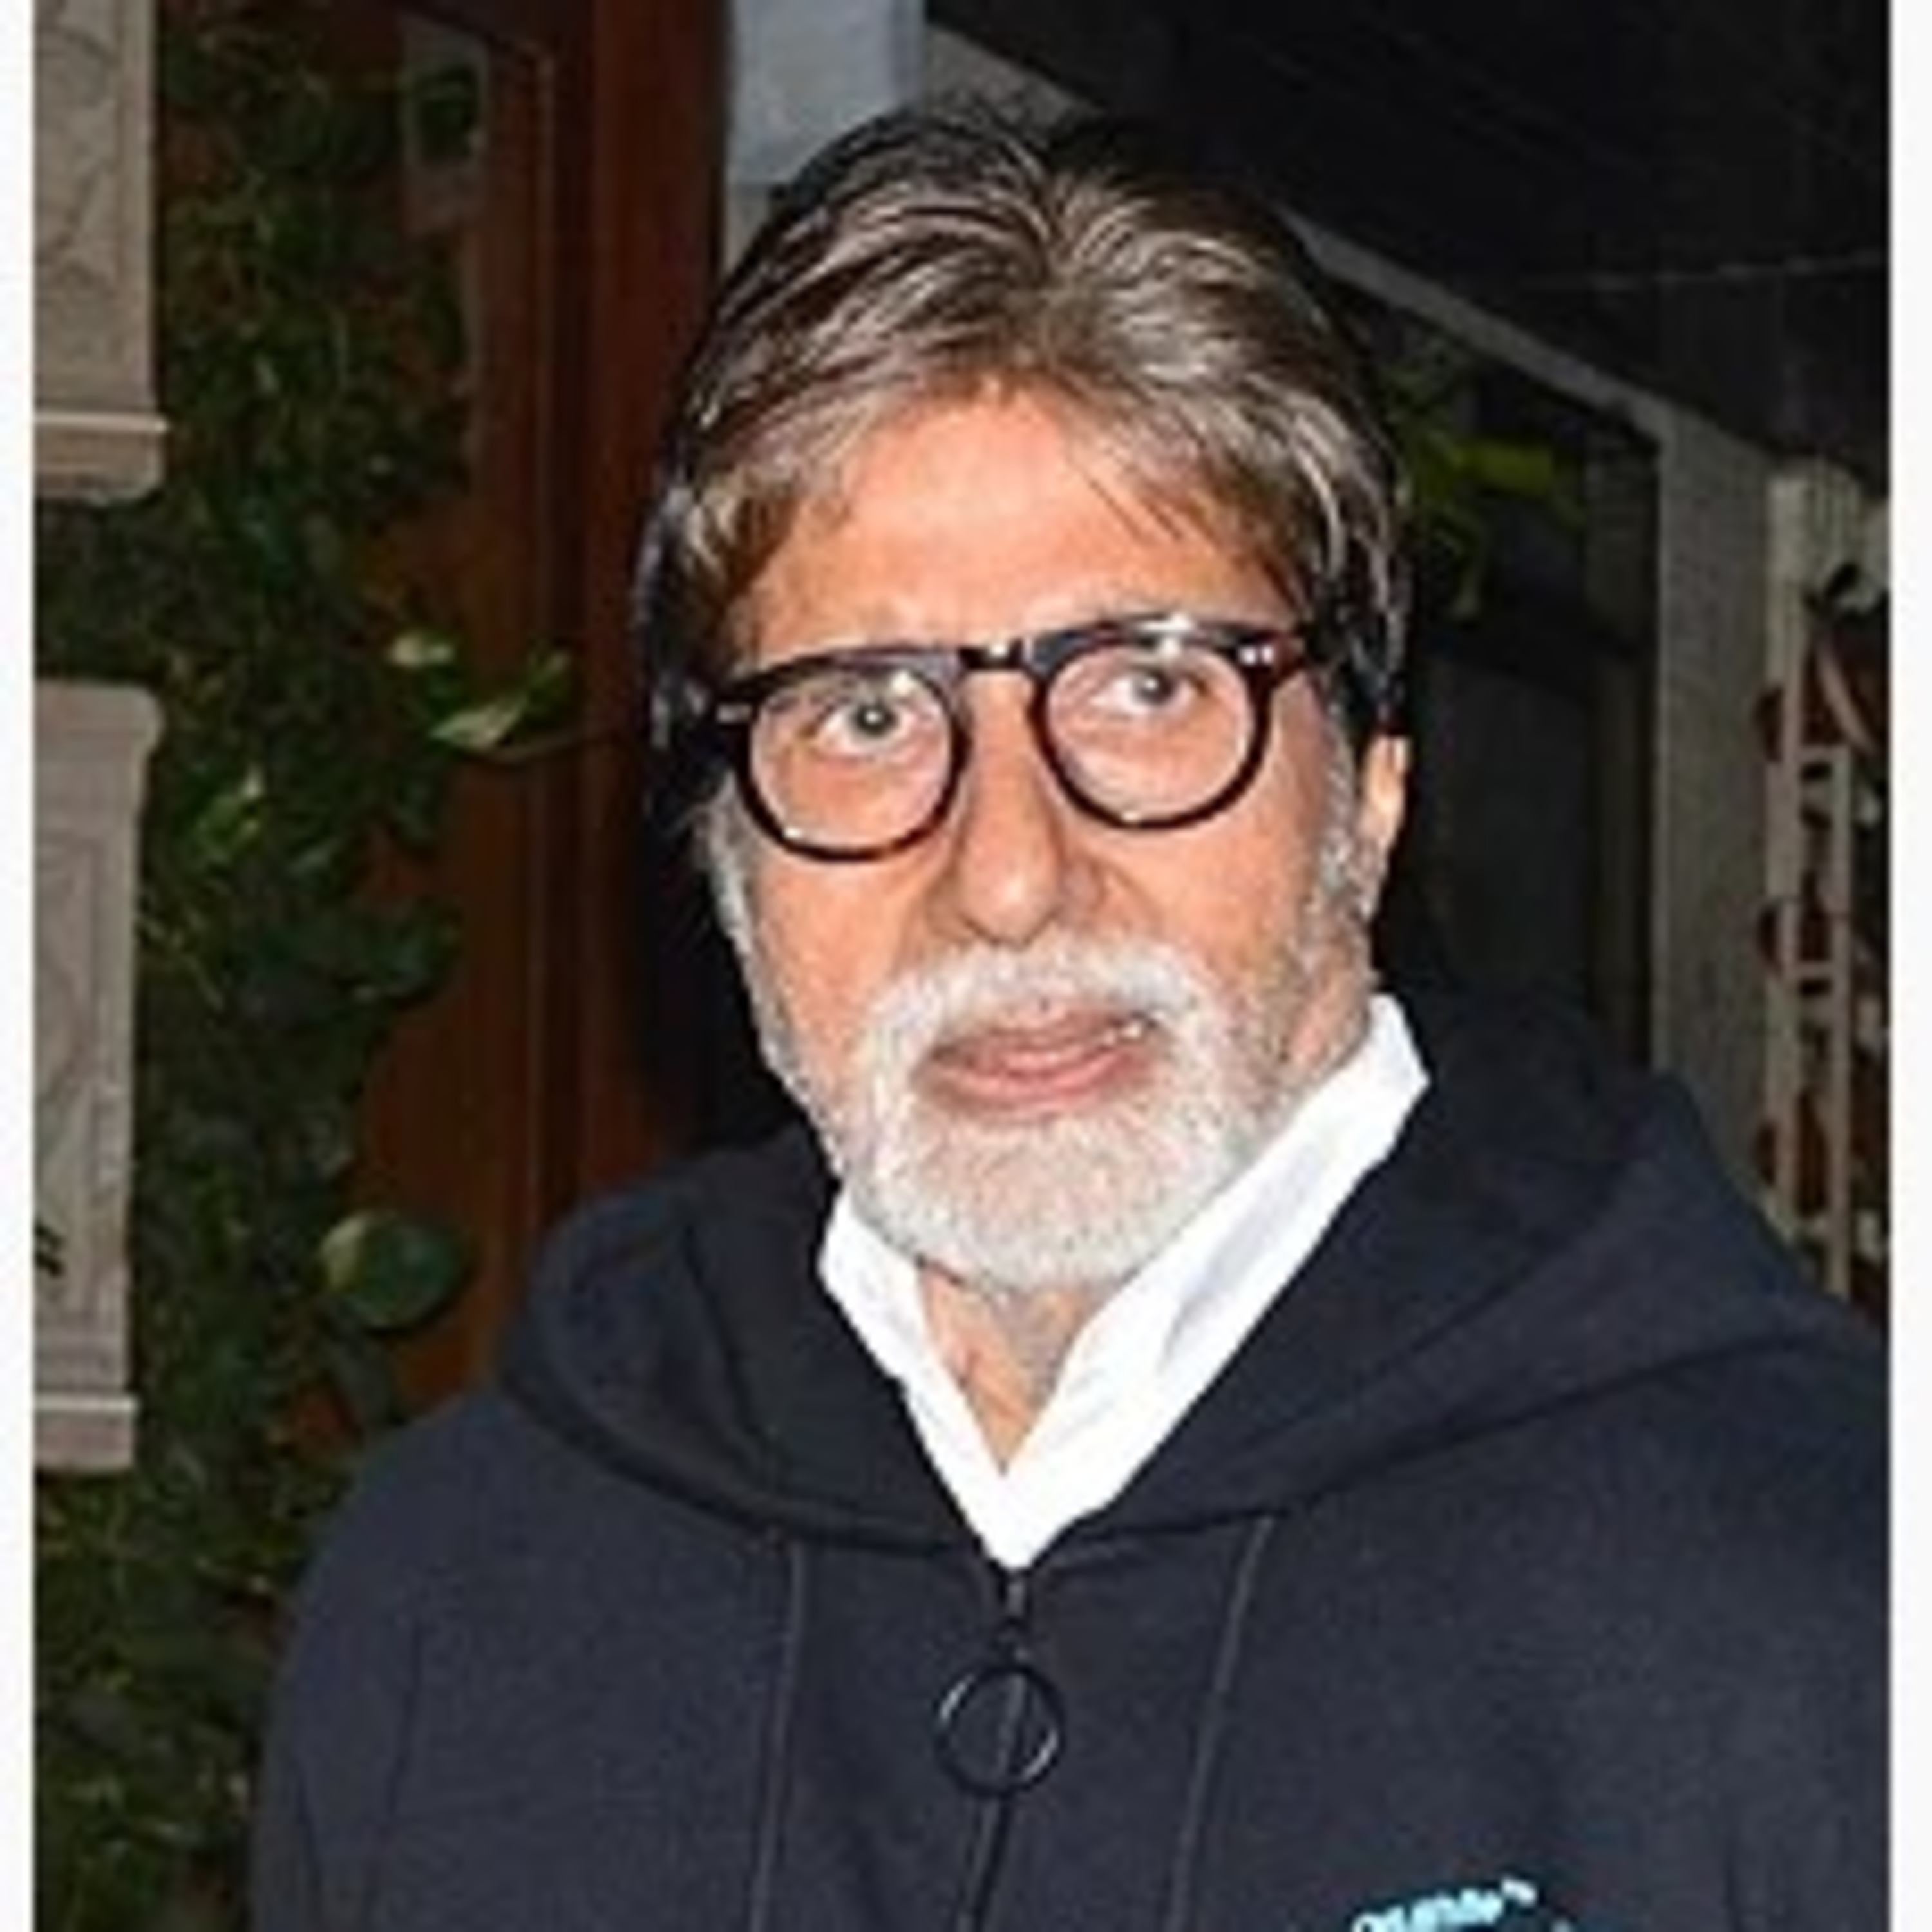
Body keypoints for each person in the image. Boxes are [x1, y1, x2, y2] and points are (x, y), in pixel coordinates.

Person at [252, 100, 1886, 1931]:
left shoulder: (1825, 1599)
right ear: (725, 852)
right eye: (867, 715)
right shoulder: (459, 1602)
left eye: (1145, 688)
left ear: (1369, 790)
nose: (1011, 875)